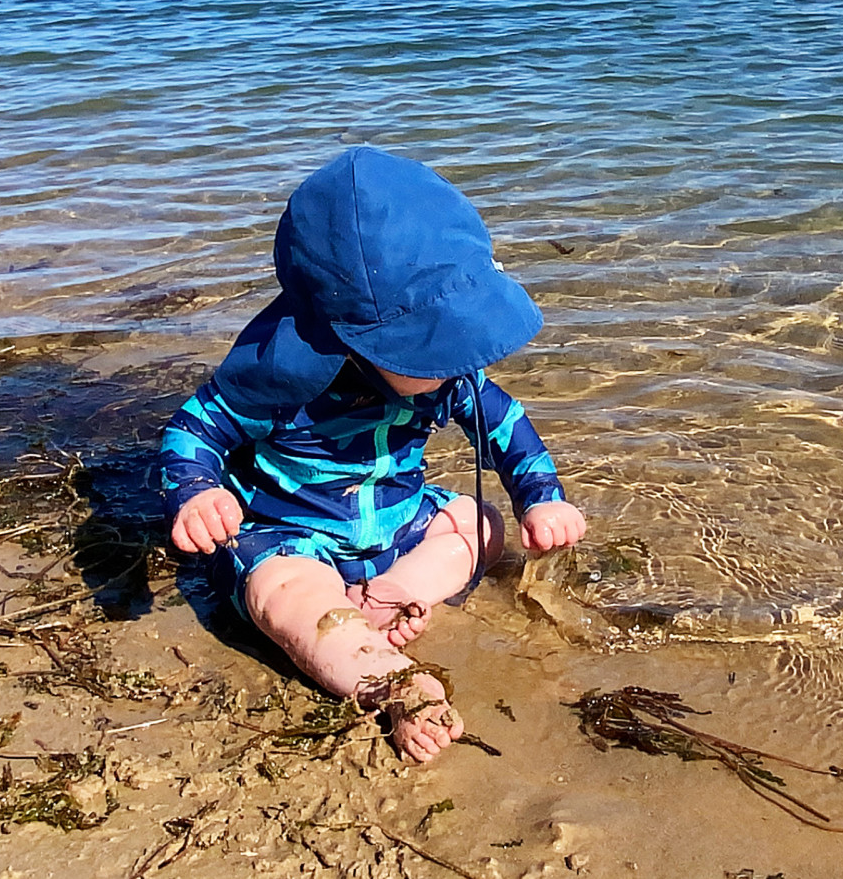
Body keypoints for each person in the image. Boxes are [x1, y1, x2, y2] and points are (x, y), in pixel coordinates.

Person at [158, 147, 586, 763]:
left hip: (399, 521)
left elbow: (505, 425)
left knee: (478, 523)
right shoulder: (282, 381)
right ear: (352, 338)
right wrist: (197, 492)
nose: (462, 359)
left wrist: (541, 498)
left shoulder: (449, 375)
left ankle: (392, 593)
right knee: (279, 594)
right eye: (434, 343)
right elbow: (194, 431)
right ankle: (391, 682)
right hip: (293, 536)